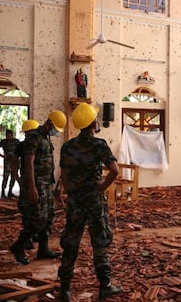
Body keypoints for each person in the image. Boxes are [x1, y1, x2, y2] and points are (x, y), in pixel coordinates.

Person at [58, 103, 121, 302]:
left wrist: (71, 193)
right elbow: (115, 170)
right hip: (94, 200)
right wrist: (101, 187)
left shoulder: (67, 146)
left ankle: (65, 289)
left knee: (71, 242)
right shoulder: (99, 145)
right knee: (100, 242)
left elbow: (65, 175)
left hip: (76, 201)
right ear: (93, 124)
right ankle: (105, 286)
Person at [10, 111, 66, 265]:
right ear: (48, 123)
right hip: (37, 184)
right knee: (38, 219)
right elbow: (28, 163)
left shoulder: (45, 138)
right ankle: (19, 245)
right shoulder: (33, 138)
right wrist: (31, 187)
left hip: (46, 184)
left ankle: (43, 248)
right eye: (54, 128)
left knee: (49, 217)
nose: (55, 132)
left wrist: (53, 187)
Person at [11, 119, 40, 250]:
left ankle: (33, 234)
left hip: (34, 181)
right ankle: (26, 239)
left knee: (35, 210)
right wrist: (17, 178)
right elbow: (15, 162)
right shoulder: (22, 146)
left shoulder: (38, 143)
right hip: (28, 181)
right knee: (27, 209)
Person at [0, 129, 20, 198]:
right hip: (7, 162)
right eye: (7, 136)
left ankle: (10, 191)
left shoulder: (16, 141)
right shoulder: (4, 142)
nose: (8, 137)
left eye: (9, 136)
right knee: (5, 177)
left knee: (13, 177)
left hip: (15, 162)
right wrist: (3, 156)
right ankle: (3, 193)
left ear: (12, 135)